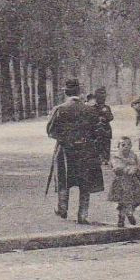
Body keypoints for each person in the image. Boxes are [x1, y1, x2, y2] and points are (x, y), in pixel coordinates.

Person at [46, 79, 104, 223]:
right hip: (86, 150)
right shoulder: (90, 110)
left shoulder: (60, 109)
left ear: (65, 92)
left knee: (63, 179)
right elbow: (98, 131)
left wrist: (66, 139)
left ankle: (62, 209)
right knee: (85, 182)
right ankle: (82, 215)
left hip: (65, 150)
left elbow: (50, 131)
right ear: (80, 92)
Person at [108, 135, 140, 227]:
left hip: (132, 182)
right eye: (123, 145)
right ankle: (122, 217)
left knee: (133, 200)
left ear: (131, 146)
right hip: (121, 182)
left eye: (128, 145)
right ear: (118, 146)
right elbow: (116, 168)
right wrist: (127, 169)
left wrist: (137, 173)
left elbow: (137, 166)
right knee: (123, 201)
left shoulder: (133, 155)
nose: (126, 147)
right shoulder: (116, 157)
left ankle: (129, 213)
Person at [90, 87, 114, 166]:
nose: (102, 99)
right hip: (96, 130)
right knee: (97, 144)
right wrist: (97, 118)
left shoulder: (107, 107)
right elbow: (90, 118)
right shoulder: (92, 108)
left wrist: (105, 117)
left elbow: (111, 117)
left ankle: (106, 159)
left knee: (106, 144)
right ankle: (99, 158)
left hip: (105, 129)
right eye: (100, 97)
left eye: (103, 97)